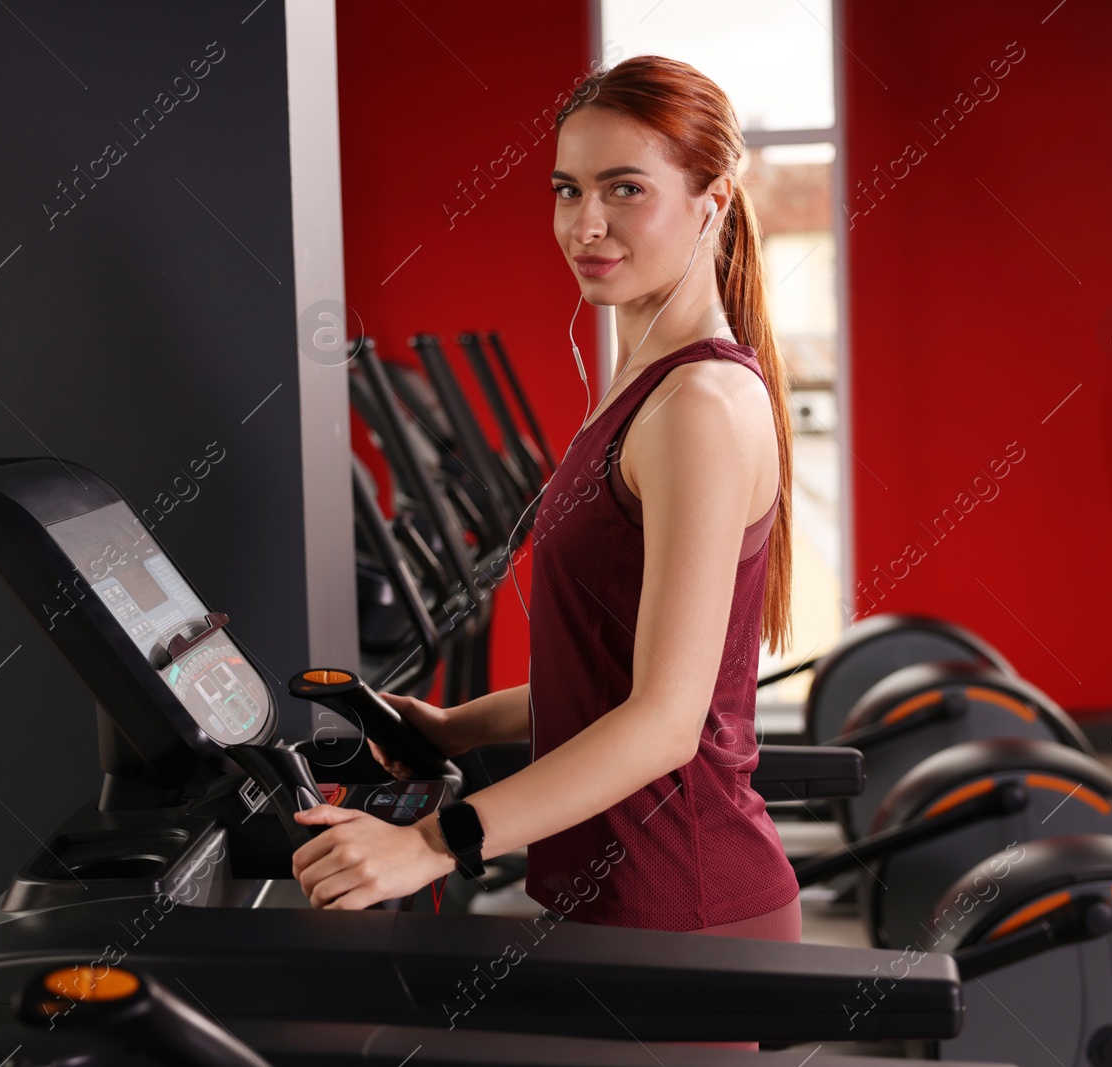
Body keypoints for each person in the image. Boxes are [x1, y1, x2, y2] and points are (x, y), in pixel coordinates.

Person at [289, 53, 800, 1045]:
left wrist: (431, 845)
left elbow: (661, 721)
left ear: (713, 199)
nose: (586, 224)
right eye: (568, 191)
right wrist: (451, 728)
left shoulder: (697, 403)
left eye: (624, 191)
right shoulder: (641, 381)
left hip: (680, 908)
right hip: (619, 900)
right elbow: (614, 673)